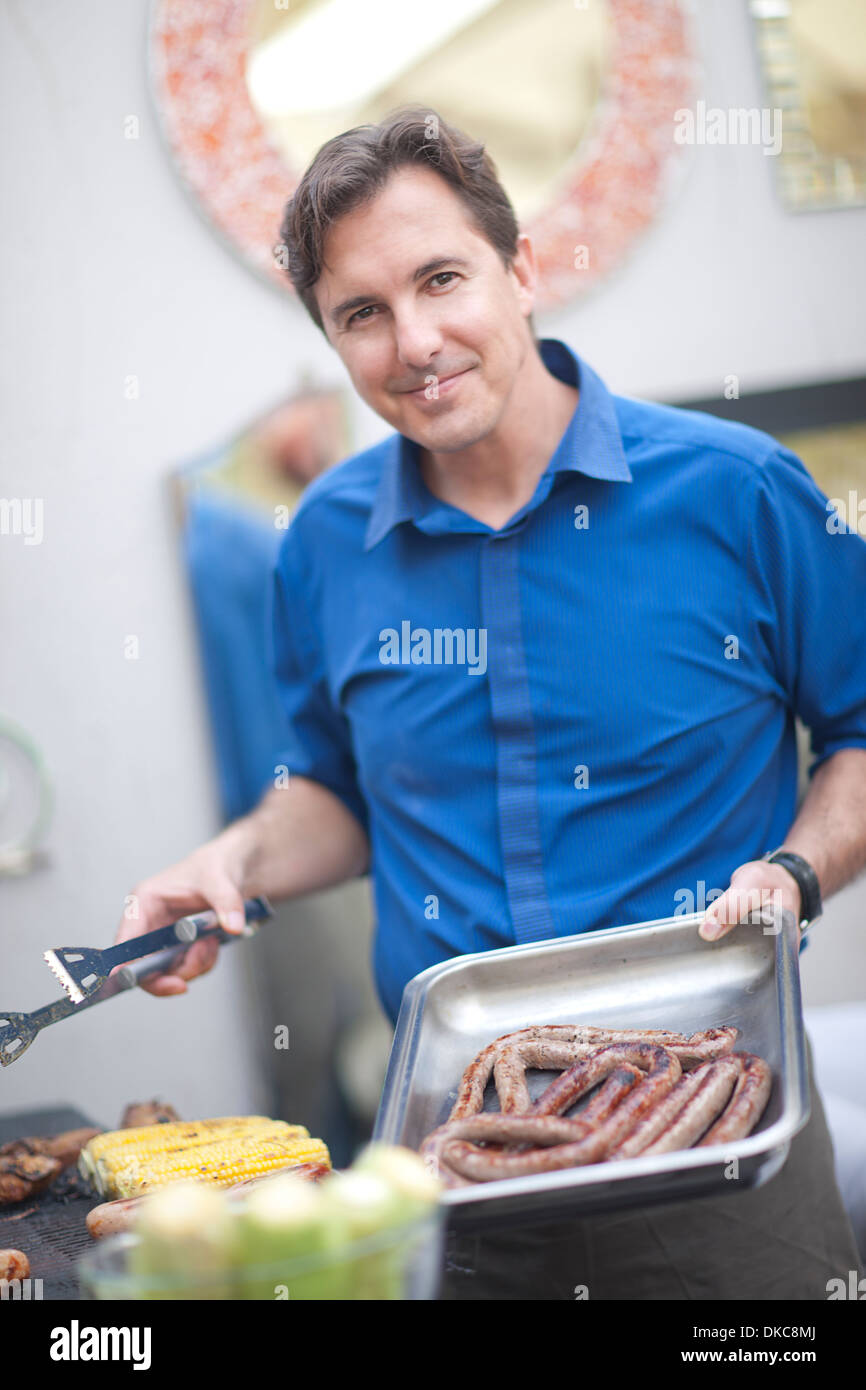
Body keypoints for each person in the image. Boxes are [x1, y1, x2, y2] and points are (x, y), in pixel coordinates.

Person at [117, 107, 866, 1298]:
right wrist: (233, 860)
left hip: (717, 1144)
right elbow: (337, 796)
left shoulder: (739, 494)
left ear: (519, 271)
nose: (413, 341)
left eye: (440, 278)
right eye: (361, 313)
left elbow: (860, 732)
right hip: (450, 1171)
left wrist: (799, 867)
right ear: (328, 335)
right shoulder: (319, 542)